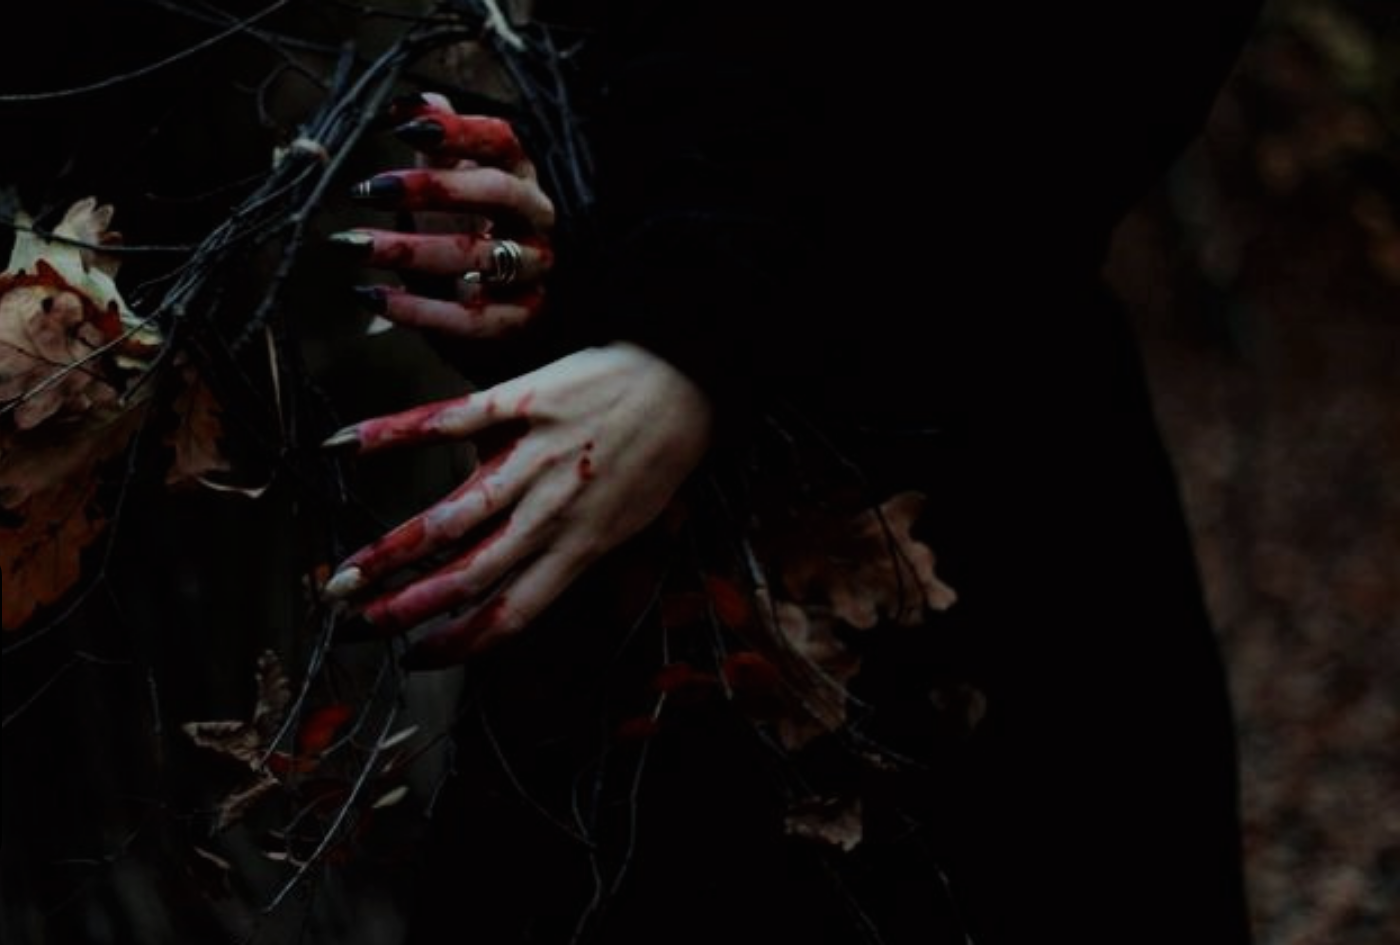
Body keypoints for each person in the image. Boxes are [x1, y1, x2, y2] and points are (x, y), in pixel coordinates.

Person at [323, 2, 1265, 941]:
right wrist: (532, 244)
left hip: (983, 520)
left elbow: (1105, 84)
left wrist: (693, 334)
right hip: (624, 593)